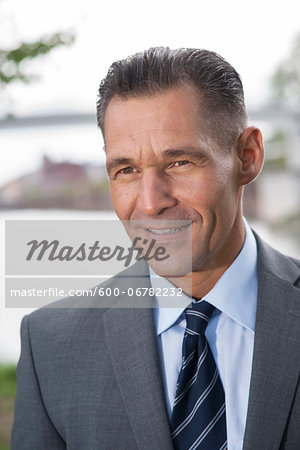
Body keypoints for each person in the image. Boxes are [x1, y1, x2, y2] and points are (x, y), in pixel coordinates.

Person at [11, 48, 300, 450]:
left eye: (179, 162)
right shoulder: (51, 347)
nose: (150, 203)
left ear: (247, 157)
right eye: (126, 170)